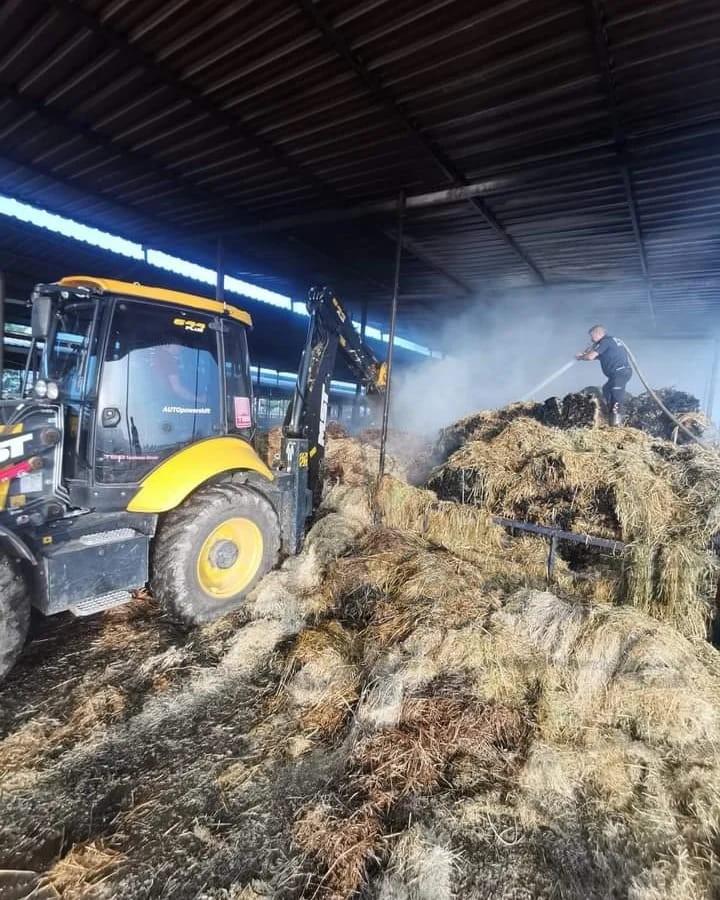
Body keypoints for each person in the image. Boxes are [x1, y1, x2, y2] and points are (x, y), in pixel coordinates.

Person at [576, 325, 632, 425]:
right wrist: (585, 355)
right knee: (606, 389)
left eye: (592, 336)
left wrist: (581, 357)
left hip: (620, 372)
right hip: (618, 373)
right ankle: (608, 415)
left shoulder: (606, 341)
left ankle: (616, 424)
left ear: (598, 333)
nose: (591, 339)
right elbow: (596, 356)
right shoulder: (609, 342)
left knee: (616, 396)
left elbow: (590, 357)